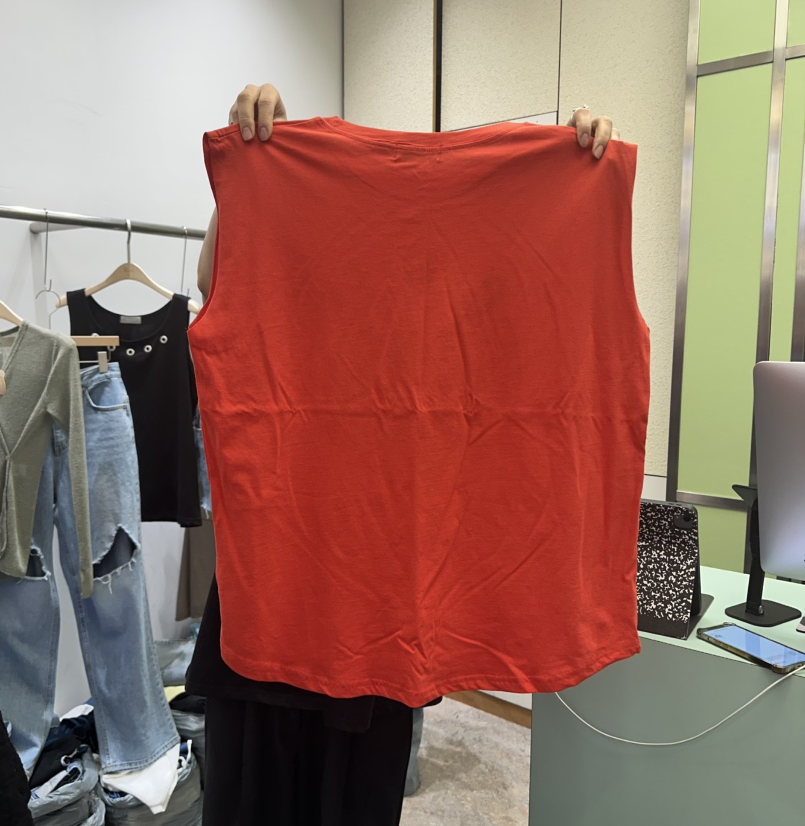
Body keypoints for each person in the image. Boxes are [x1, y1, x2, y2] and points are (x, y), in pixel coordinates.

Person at [188, 83, 622, 826]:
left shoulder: (482, 266)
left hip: (387, 619)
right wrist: (252, 183)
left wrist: (577, 169)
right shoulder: (292, 240)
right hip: (278, 598)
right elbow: (213, 283)